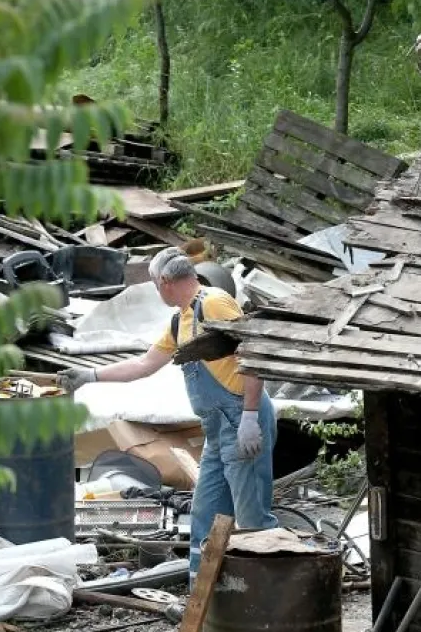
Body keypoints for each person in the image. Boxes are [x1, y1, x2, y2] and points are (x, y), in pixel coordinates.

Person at [59, 248, 278, 582]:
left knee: (251, 518)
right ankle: (203, 599)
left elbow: (253, 354)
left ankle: (267, 597)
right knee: (205, 513)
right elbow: (144, 364)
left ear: (164, 282)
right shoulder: (181, 319)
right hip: (217, 430)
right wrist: (90, 376)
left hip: (240, 420)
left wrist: (250, 416)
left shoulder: (214, 303)